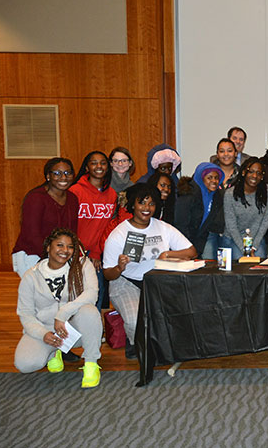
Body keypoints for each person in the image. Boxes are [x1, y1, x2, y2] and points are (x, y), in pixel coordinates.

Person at [103, 183, 196, 358]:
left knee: (178, 312)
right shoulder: (119, 234)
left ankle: (167, 345)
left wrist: (167, 253)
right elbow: (108, 274)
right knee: (134, 320)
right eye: (142, 203)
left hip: (157, 281)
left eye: (151, 204)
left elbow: (192, 251)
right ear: (132, 205)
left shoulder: (162, 227)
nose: (147, 208)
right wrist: (119, 267)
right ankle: (133, 342)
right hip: (126, 282)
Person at [14, 228, 103, 388]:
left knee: (89, 311)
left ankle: (91, 364)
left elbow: (92, 294)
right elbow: (26, 314)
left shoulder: (82, 265)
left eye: (70, 247)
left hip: (73, 329)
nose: (65, 251)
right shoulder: (31, 275)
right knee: (24, 364)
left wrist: (62, 314)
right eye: (60, 245)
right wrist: (43, 334)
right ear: (48, 247)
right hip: (46, 329)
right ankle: (54, 352)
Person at [12, 158, 79, 278]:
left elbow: (72, 232)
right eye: (57, 173)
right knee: (40, 295)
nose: (63, 177)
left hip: (58, 254)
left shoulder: (73, 199)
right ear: (48, 176)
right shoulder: (36, 198)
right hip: (31, 254)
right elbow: (31, 235)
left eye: (68, 173)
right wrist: (53, 257)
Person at [69, 150, 117, 310]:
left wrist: (96, 253)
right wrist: (74, 250)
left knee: (96, 293)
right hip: (74, 251)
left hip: (96, 253)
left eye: (103, 163)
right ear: (87, 167)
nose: (99, 166)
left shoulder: (112, 194)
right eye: (94, 163)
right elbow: (68, 224)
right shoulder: (75, 191)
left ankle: (94, 331)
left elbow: (107, 228)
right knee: (74, 294)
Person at [222, 157, 268, 258]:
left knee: (261, 264)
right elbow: (231, 226)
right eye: (251, 172)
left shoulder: (267, 191)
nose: (255, 176)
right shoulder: (230, 194)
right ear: (244, 172)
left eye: (259, 173)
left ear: (262, 176)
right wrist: (245, 250)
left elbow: (265, 221)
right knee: (240, 263)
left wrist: (254, 247)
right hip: (233, 238)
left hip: (256, 239)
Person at [174, 162, 225, 259]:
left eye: (216, 178)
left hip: (199, 240)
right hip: (182, 240)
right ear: (201, 179)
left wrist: (197, 250)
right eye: (209, 177)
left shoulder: (216, 197)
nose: (214, 181)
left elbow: (206, 226)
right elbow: (181, 223)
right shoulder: (188, 193)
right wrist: (188, 247)